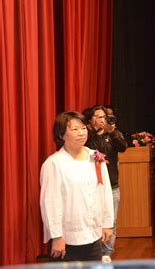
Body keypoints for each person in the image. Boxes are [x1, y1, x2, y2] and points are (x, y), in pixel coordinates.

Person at [40, 111, 114, 261]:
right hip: (67, 238)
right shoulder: (54, 163)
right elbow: (50, 203)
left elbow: (105, 192)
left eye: (83, 128)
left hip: (93, 234)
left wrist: (107, 223)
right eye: (75, 129)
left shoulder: (95, 157)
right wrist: (57, 236)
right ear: (61, 135)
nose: (81, 133)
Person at [84, 105, 127, 262]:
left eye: (103, 116)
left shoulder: (112, 133)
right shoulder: (87, 136)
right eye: (97, 116)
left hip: (112, 185)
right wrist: (93, 132)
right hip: (92, 186)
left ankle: (106, 254)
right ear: (90, 120)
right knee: (93, 220)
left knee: (111, 222)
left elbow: (123, 147)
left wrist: (111, 131)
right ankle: (94, 253)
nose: (101, 119)